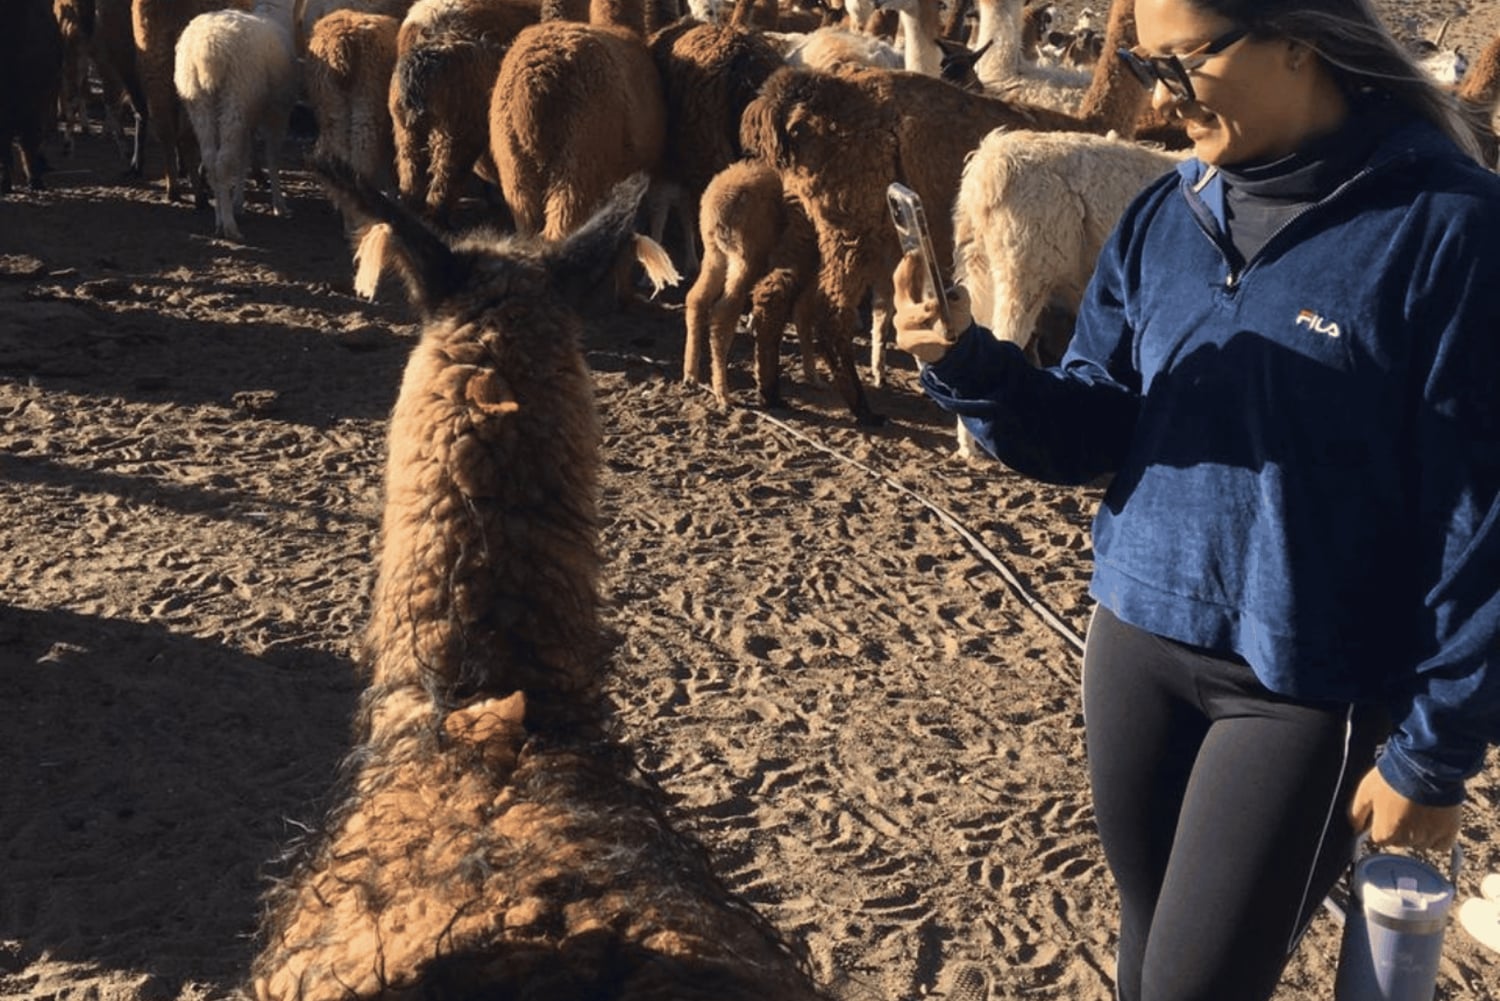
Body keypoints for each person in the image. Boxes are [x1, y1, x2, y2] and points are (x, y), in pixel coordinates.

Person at [890, 0, 1500, 998]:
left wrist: (1437, 750)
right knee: (1149, 962)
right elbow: (1096, 422)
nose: (1158, 97)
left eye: (1182, 65)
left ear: (1299, 40)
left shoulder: (1452, 230)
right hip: (1133, 645)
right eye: (1145, 64)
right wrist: (970, 366)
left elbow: (1484, 513)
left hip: (1302, 688)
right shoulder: (1164, 215)